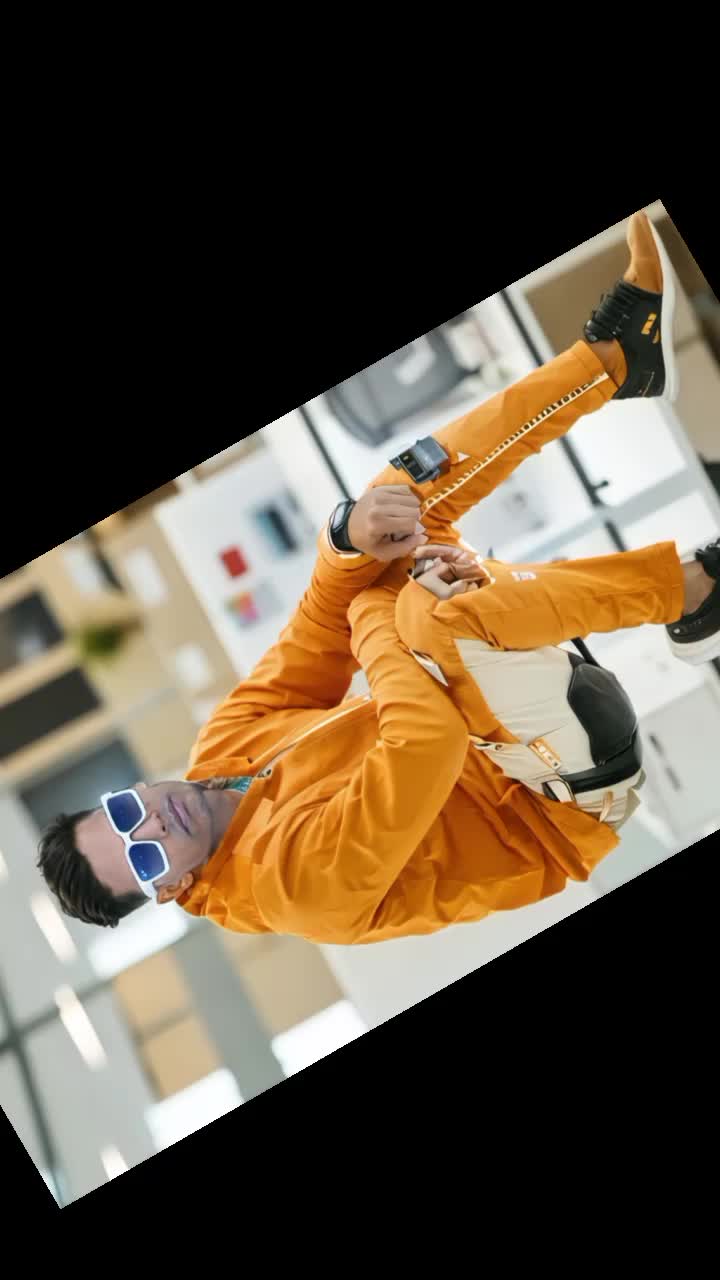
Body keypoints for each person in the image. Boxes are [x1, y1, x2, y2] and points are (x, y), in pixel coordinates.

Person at [38, 212, 720, 943]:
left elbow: (315, 629)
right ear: (169, 890)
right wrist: (382, 617)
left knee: (390, 507)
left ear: (127, 790)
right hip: (548, 793)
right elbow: (426, 740)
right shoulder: (292, 889)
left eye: (123, 814)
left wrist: (347, 543)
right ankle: (698, 593)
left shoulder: (222, 752)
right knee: (426, 618)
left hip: (477, 710)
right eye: (143, 856)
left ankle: (614, 361)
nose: (152, 823)